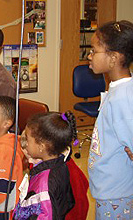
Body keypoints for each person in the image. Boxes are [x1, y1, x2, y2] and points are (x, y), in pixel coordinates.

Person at [87, 20, 133, 219]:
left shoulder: (123, 97)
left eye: (93, 50)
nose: (89, 55)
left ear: (113, 58)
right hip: (109, 189)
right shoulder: (117, 89)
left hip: (117, 195)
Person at [12, 111, 76, 219]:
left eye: (27, 139)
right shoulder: (60, 163)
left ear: (41, 146)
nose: (25, 143)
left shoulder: (44, 185)